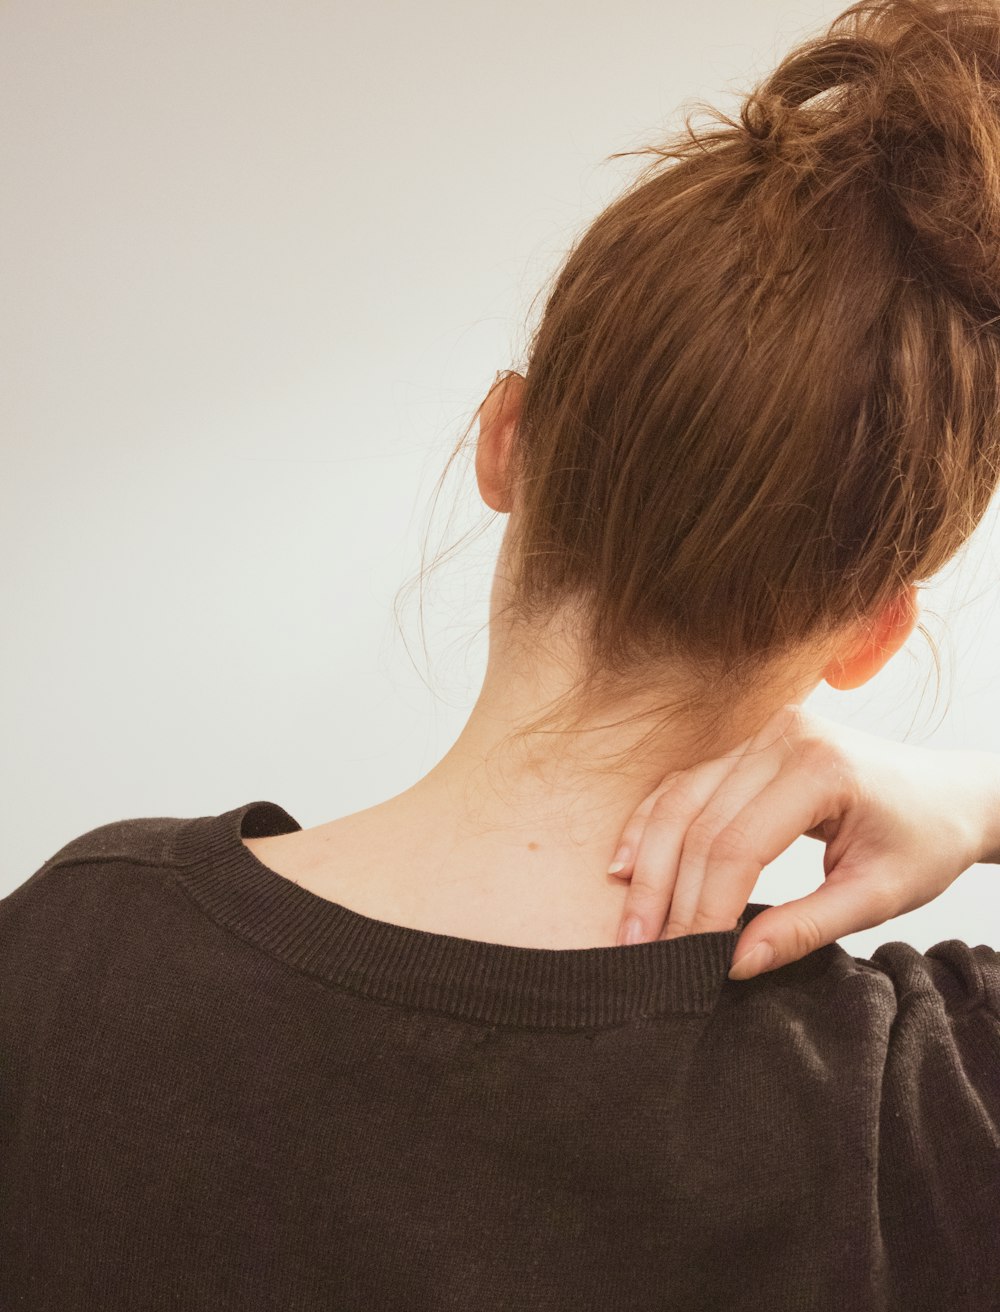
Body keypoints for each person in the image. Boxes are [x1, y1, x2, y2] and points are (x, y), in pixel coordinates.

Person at [3, 0, 1000, 1308]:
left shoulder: (74, 953)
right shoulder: (933, 1102)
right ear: (877, 632)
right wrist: (978, 800)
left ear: (506, 439)